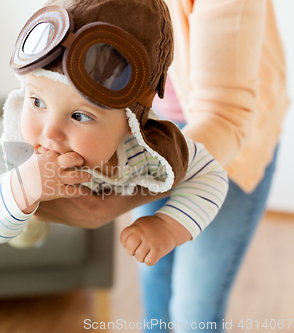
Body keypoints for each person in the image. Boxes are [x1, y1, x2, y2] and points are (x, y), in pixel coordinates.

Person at [34, 0, 290, 332]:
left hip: (228, 141)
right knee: (153, 271)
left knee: (194, 310)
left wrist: (122, 198)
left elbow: (226, 116)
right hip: (145, 129)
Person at [0, 0, 228, 267]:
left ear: (130, 124)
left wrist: (167, 227)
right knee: (21, 233)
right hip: (31, 215)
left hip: (116, 184)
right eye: (37, 102)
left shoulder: (148, 148)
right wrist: (23, 187)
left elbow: (211, 175)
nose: (50, 132)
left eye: (80, 115)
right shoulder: (21, 147)